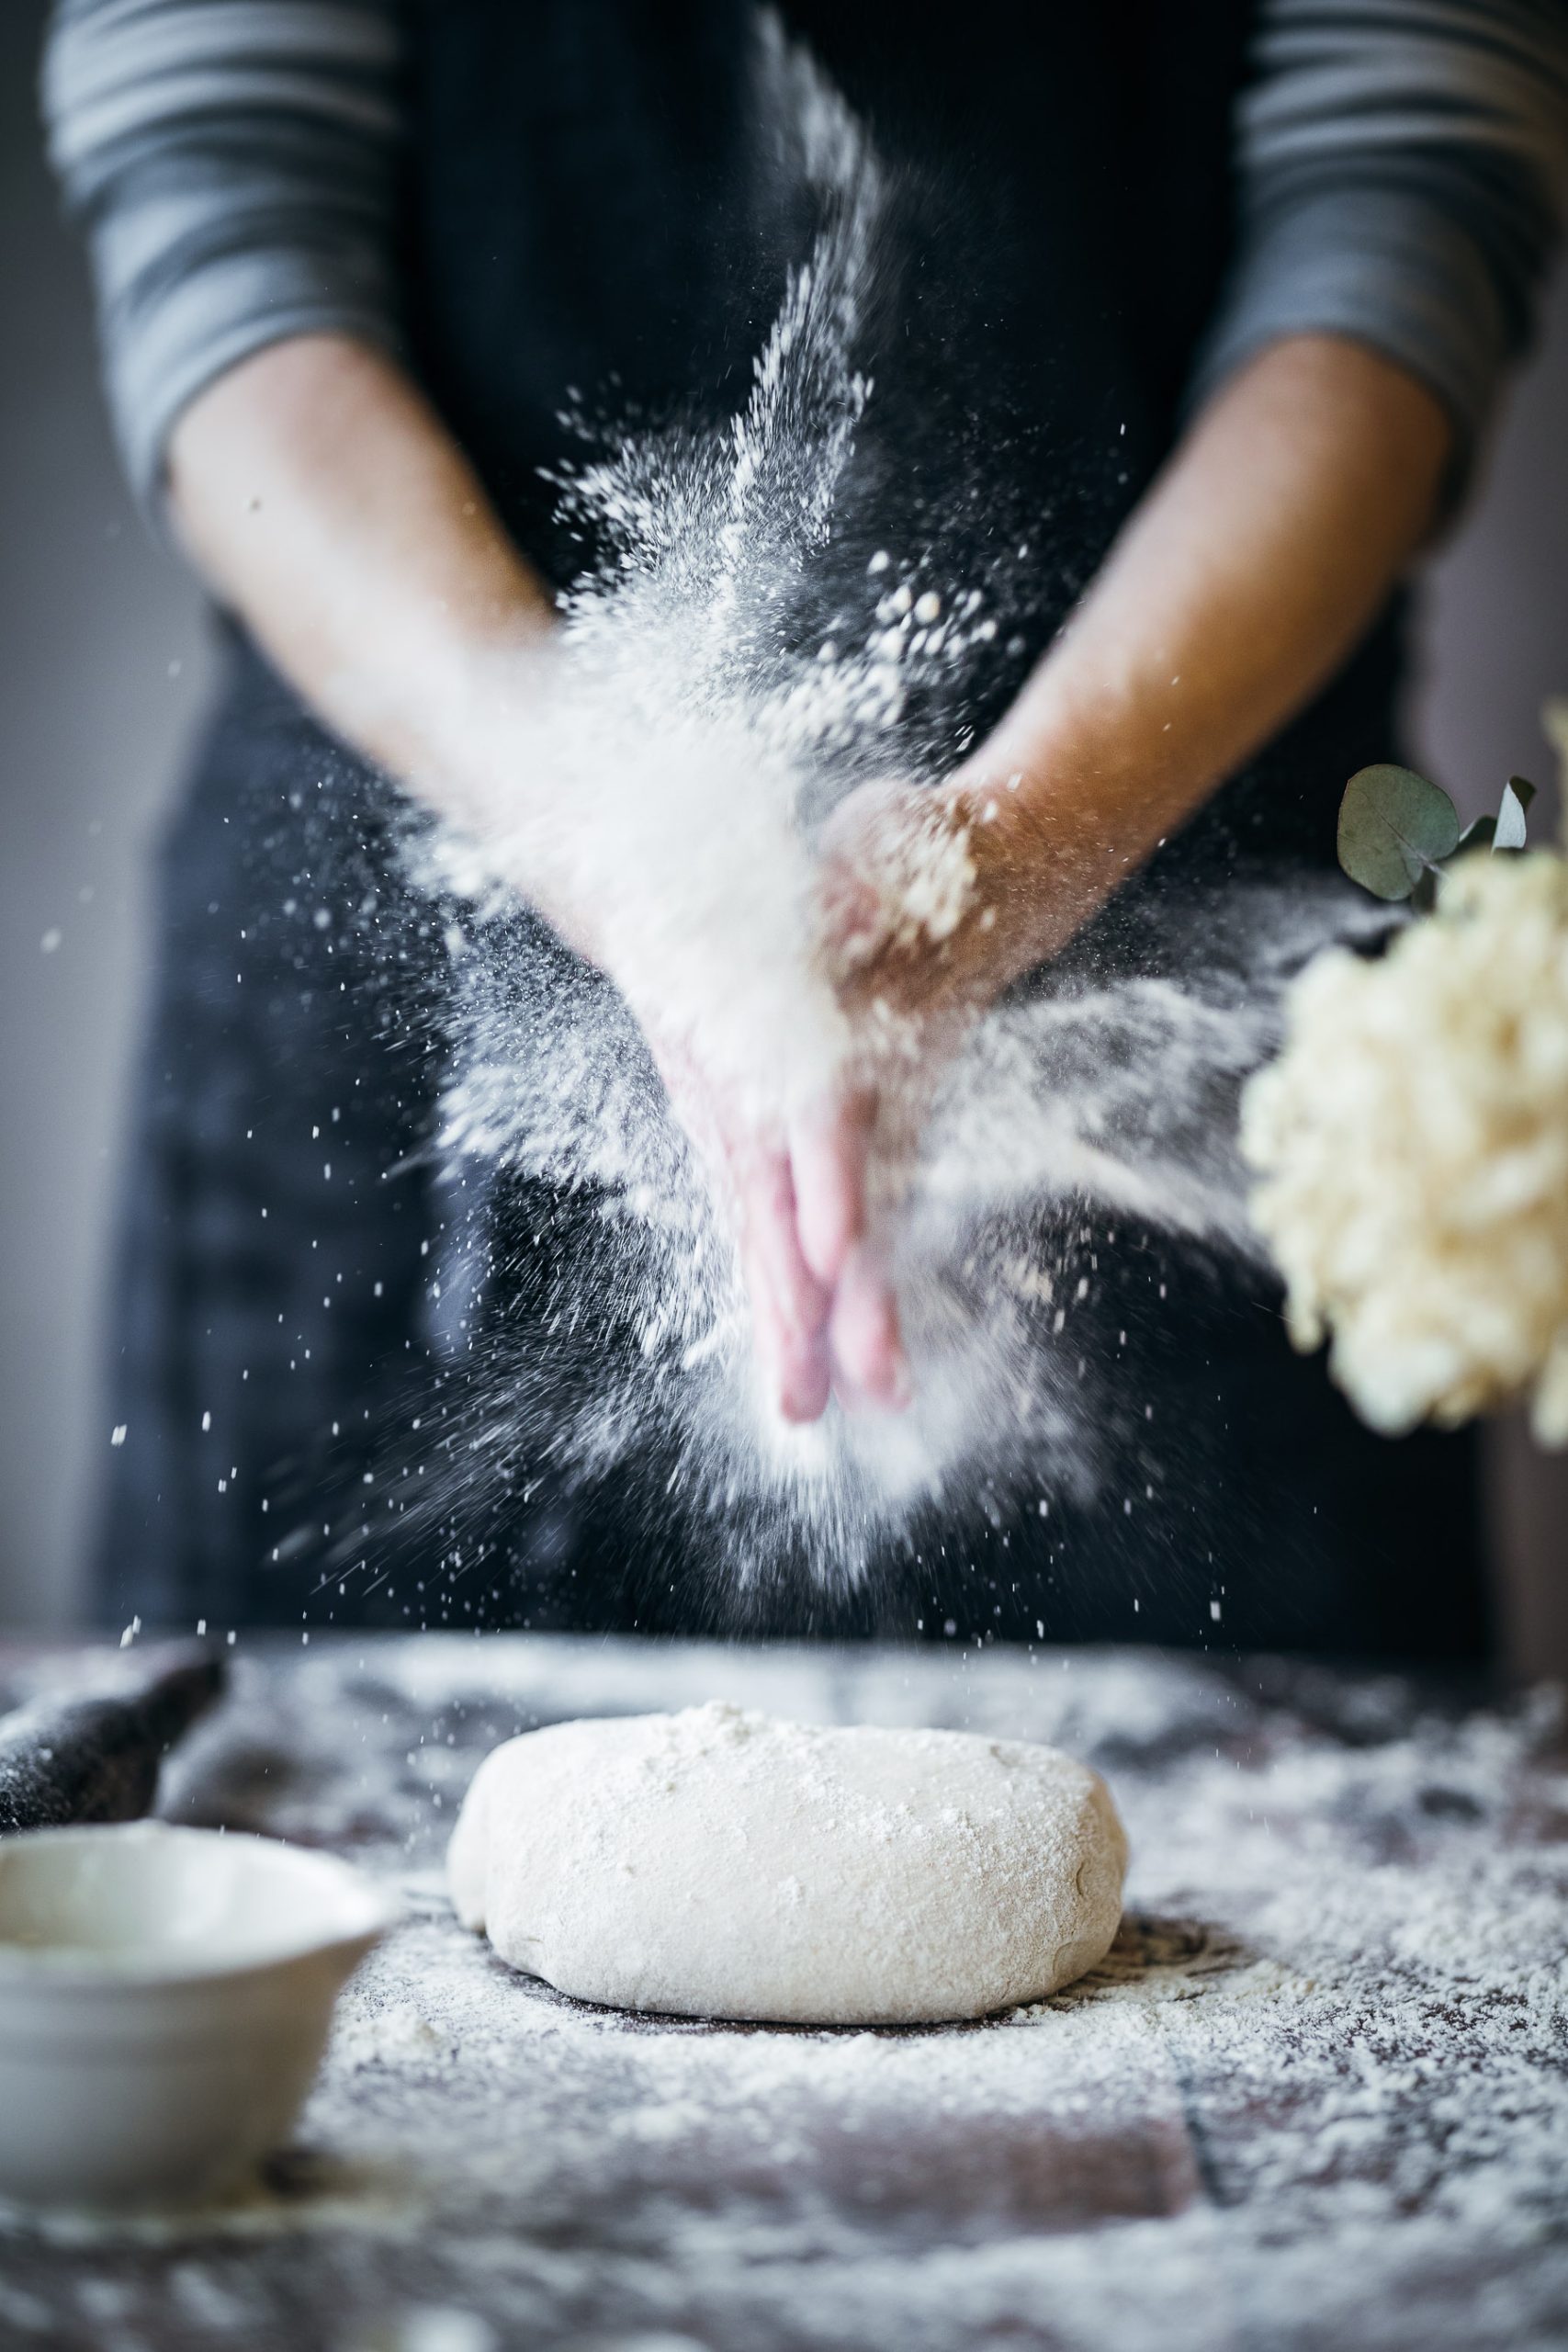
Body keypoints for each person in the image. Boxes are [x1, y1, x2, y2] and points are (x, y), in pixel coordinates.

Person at [45, 0, 1568, 1653]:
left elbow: (1400, 197)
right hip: (395, 1062)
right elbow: (228, 243)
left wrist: (1015, 843)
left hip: (1219, 955)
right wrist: (629, 853)